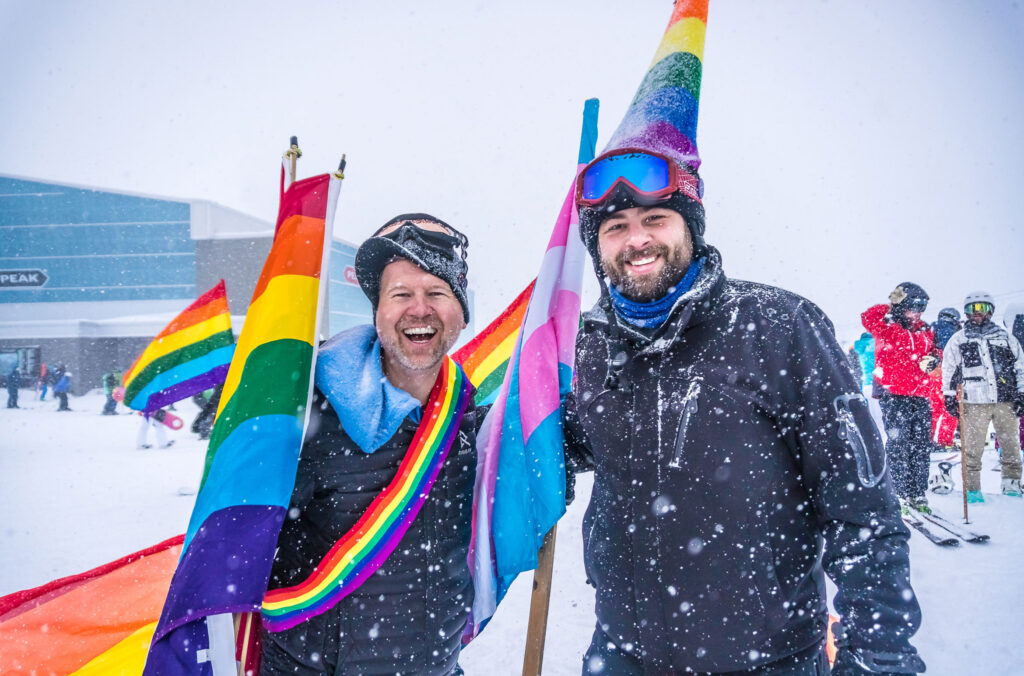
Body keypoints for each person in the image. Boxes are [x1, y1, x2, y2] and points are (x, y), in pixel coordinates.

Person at [563, 148, 924, 675]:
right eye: (615, 226)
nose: (636, 239)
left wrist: (878, 655)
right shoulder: (592, 345)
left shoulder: (782, 327)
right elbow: (577, 442)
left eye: (655, 219)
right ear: (596, 245)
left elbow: (862, 510)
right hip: (623, 652)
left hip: (766, 657)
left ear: (691, 228)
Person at [261, 215, 479, 675]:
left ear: (461, 312)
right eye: (400, 294)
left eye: (437, 293)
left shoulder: (471, 417)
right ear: (377, 311)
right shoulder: (306, 411)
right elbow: (244, 540)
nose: (419, 309)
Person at [861, 284, 938, 512]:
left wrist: (935, 357)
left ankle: (917, 493)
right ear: (903, 303)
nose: (918, 311)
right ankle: (897, 492)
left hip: (920, 394)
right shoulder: (886, 326)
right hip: (894, 394)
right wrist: (891, 302)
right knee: (899, 444)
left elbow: (934, 349)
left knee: (921, 446)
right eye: (914, 306)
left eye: (922, 306)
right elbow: (867, 317)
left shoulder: (924, 329)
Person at [941, 292, 1024, 500]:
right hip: (974, 401)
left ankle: (1012, 485)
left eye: (982, 308)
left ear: (991, 311)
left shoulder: (1005, 338)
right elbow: (949, 369)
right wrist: (949, 395)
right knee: (972, 449)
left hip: (1005, 400)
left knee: (1011, 447)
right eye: (972, 309)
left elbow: (1019, 366)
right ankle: (973, 490)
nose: (977, 314)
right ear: (966, 313)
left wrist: (1022, 392)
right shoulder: (958, 339)